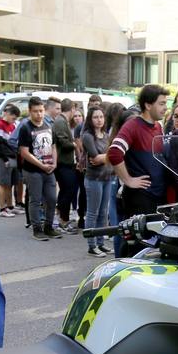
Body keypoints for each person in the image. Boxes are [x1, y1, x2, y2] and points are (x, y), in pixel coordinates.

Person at [108, 83, 168, 237]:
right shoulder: (133, 125)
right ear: (148, 105)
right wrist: (128, 180)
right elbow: (114, 152)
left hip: (157, 198)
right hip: (140, 200)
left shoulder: (158, 127)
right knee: (138, 247)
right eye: (161, 104)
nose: (165, 108)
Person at [16, 96, 61, 240]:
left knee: (52, 198)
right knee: (35, 200)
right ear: (29, 111)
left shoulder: (48, 125)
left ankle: (49, 227)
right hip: (33, 170)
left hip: (49, 169)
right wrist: (41, 165)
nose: (39, 114)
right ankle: (37, 229)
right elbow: (24, 152)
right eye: (35, 111)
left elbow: (53, 146)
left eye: (41, 111)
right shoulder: (25, 128)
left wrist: (54, 163)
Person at [80, 105, 116, 257]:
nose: (99, 120)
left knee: (103, 212)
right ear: (90, 119)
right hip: (94, 179)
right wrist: (108, 156)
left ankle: (101, 243)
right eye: (95, 117)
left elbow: (108, 155)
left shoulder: (106, 135)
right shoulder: (88, 136)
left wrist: (104, 157)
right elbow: (95, 157)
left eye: (101, 116)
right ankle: (91, 245)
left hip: (107, 177)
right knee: (92, 213)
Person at [48, 97, 80, 233]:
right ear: (72, 109)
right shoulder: (61, 122)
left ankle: (62, 218)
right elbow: (63, 142)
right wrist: (74, 144)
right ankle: (63, 221)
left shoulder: (62, 121)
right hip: (63, 163)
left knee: (66, 191)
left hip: (66, 162)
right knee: (68, 191)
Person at [0, 104, 20, 218]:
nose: (14, 121)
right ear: (8, 114)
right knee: (3, 184)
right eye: (13, 118)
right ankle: (2, 208)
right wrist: (5, 159)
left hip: (12, 157)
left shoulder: (12, 126)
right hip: (4, 158)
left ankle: (10, 206)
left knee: (10, 183)